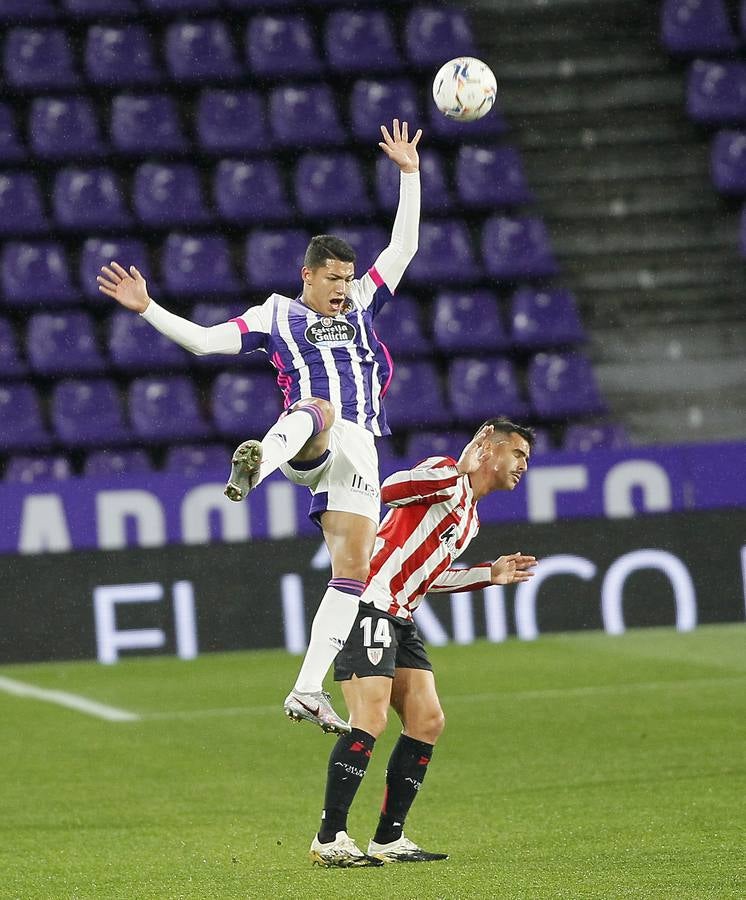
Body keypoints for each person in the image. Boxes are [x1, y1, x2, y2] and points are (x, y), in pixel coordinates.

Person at [97, 120, 422, 735]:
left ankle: (305, 689)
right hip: (308, 439)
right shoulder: (274, 315)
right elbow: (202, 343)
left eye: (348, 280)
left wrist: (409, 175)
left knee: (353, 573)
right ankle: (253, 468)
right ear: (307, 275)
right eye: (332, 279)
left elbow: (401, 249)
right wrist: (149, 310)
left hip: (362, 455)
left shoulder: (363, 301)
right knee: (319, 408)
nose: (342, 289)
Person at [308, 419, 537, 867]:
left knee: (427, 720)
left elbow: (431, 577)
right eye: (518, 455)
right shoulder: (443, 476)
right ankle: (330, 837)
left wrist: (488, 574)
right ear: (489, 448)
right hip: (368, 601)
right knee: (369, 719)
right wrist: (454, 472)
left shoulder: (469, 518)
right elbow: (385, 489)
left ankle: (388, 839)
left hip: (400, 615)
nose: (523, 466)